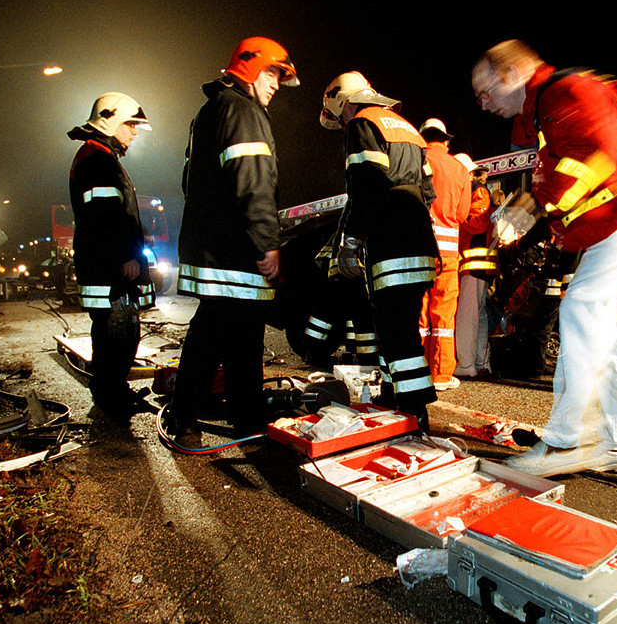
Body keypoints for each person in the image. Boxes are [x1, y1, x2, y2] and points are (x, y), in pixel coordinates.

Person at [472, 40, 617, 477]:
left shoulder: (564, 93)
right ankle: (613, 441)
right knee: (614, 333)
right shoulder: (552, 110)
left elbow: (597, 154)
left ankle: (570, 439)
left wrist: (533, 205)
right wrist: (539, 208)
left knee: (583, 310)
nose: (483, 103)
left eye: (486, 90)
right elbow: (583, 163)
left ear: (512, 74)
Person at [167, 36, 299, 439]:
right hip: (234, 254)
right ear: (251, 67)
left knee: (217, 337)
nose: (277, 83)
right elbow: (254, 184)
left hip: (215, 248)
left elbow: (191, 182)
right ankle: (242, 424)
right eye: (273, 72)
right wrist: (267, 243)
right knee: (237, 342)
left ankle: (199, 419)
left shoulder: (212, 110)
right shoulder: (243, 111)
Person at [320, 71, 438, 430]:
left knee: (397, 334)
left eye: (338, 115)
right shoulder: (406, 128)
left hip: (391, 242)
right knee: (398, 328)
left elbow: (365, 186)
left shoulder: (361, 124)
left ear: (342, 101)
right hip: (420, 241)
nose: (341, 124)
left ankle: (414, 411)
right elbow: (429, 192)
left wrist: (351, 241)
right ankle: (393, 398)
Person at [68, 92, 155, 419]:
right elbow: (103, 216)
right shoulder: (97, 160)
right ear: (112, 122)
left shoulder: (98, 156)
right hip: (110, 271)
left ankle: (114, 391)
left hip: (105, 267)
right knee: (115, 334)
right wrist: (125, 255)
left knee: (120, 333)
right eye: (130, 125)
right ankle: (110, 398)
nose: (134, 132)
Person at [418, 118, 471, 391]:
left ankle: (416, 371)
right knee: (443, 315)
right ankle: (440, 375)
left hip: (419, 248)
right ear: (445, 140)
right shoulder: (460, 168)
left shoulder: (415, 159)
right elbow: (462, 215)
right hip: (449, 253)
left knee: (420, 313)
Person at [453, 155, 498, 379]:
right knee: (478, 317)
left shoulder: (476, 191)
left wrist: (454, 216)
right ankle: (480, 364)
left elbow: (477, 223)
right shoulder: (478, 190)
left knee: (467, 317)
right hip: (479, 267)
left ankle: (466, 365)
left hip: (474, 266)